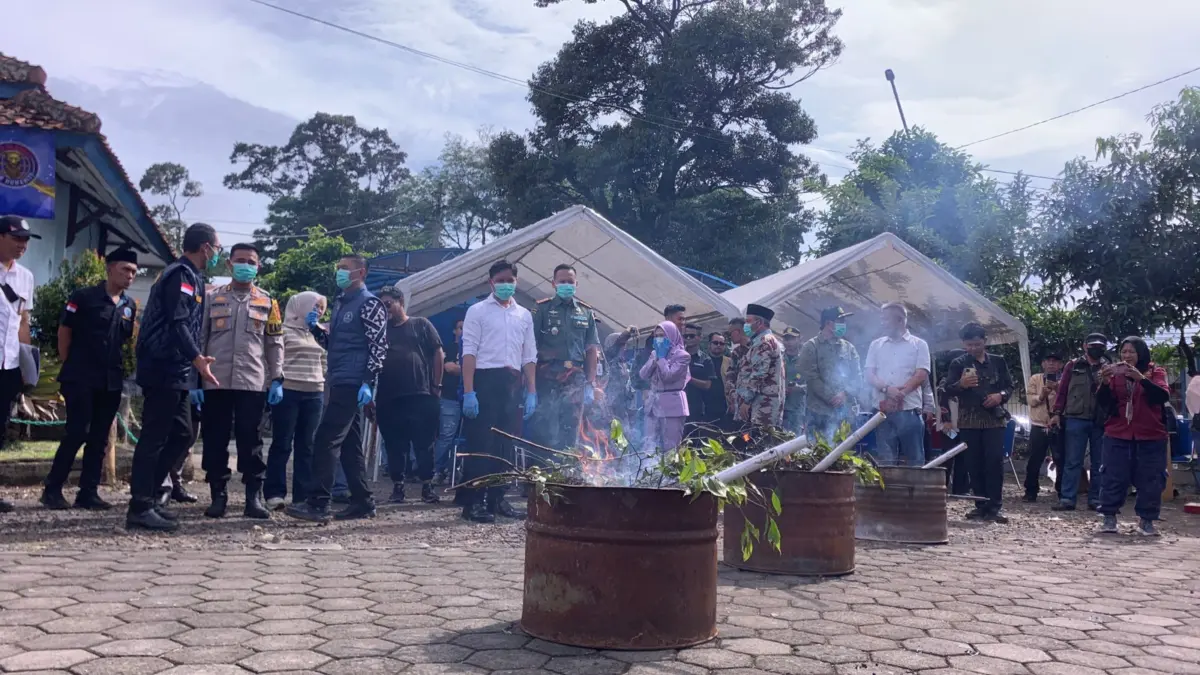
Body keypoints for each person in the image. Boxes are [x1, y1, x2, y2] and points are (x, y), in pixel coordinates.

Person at [126, 223, 223, 531]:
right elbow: (178, 321)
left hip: (179, 369)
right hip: (163, 366)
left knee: (182, 434)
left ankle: (152, 495)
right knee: (154, 436)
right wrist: (197, 358)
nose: (218, 254)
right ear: (205, 247)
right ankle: (140, 506)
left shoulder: (193, 277)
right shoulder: (179, 275)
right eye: (217, 248)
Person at [286, 254, 388, 523]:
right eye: (338, 267)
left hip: (353, 381)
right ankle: (363, 501)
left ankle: (318, 503)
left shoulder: (370, 304)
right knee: (350, 445)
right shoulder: (342, 303)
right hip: (339, 377)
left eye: (345, 268)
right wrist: (316, 330)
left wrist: (368, 381)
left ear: (361, 273)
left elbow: (379, 346)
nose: (339, 272)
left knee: (325, 439)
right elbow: (336, 346)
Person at [39, 248, 139, 510]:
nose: (130, 276)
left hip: (110, 379)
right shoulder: (83, 297)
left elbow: (125, 340)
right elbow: (65, 331)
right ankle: (52, 489)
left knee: (99, 437)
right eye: (125, 269)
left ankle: (88, 491)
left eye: (134, 272)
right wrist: (70, 364)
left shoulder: (129, 305)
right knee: (77, 432)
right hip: (81, 376)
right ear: (110, 268)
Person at [193, 243, 283, 520]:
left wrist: (277, 378)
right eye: (240, 260)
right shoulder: (212, 297)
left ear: (259, 267)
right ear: (229, 264)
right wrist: (195, 379)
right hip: (215, 380)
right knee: (215, 439)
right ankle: (218, 496)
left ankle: (253, 498)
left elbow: (274, 342)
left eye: (251, 262)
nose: (246, 265)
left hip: (252, 382)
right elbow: (200, 337)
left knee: (251, 441)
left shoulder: (268, 301)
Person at [458, 260, 538, 523]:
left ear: (516, 282)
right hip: (485, 380)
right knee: (482, 444)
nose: (505, 285)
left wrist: (531, 390)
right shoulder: (477, 311)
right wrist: (469, 391)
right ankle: (474, 502)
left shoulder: (524, 315)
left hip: (512, 382)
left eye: (510, 280)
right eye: (500, 280)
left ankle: (497, 497)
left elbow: (529, 355)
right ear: (491, 282)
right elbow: (469, 352)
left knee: (506, 444)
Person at [376, 285, 444, 505]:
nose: (385, 309)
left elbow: (438, 352)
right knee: (394, 445)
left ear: (401, 303)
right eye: (381, 306)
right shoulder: (379, 331)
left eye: (388, 304)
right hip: (389, 398)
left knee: (424, 444)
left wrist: (436, 385)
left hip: (421, 395)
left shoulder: (420, 324)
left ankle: (427, 487)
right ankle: (398, 487)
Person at [1095, 337, 1169, 536]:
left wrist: (1141, 379)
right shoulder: (1115, 372)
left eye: (1132, 352)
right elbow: (1104, 403)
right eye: (1124, 351)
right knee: (1113, 476)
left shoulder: (1156, 372)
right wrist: (1104, 383)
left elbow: (1162, 396)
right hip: (1118, 433)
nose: (1127, 356)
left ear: (1141, 354)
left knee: (1151, 478)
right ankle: (1109, 517)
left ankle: (1147, 521)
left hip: (1150, 435)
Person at [264, 292, 327, 509]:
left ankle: (302, 496)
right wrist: (273, 383)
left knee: (307, 445)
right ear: (301, 306)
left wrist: (319, 377)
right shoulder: (283, 330)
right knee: (282, 443)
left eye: (321, 308)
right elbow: (273, 358)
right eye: (315, 306)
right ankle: (274, 493)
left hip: (315, 393)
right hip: (288, 391)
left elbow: (325, 359)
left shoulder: (318, 332)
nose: (318, 311)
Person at [945, 322, 1013, 523]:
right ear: (963, 344)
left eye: (977, 344)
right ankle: (980, 505)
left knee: (994, 462)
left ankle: (995, 506)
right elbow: (947, 388)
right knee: (973, 464)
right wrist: (961, 384)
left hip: (994, 420)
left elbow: (1009, 386)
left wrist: (1000, 396)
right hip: (969, 421)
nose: (973, 348)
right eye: (969, 345)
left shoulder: (998, 361)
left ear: (985, 341)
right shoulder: (958, 363)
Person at [530, 264, 601, 457]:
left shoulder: (586, 312)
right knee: (546, 426)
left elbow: (591, 349)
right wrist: (530, 385)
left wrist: (590, 383)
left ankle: (567, 468)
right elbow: (531, 347)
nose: (566, 285)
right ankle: (543, 470)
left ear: (576, 284)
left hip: (576, 378)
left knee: (572, 426)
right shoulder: (542, 309)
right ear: (553, 283)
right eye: (562, 281)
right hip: (548, 376)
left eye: (570, 282)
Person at [0, 215, 37, 514]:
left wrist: (27, 365)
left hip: (9, 365)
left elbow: (23, 320)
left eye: (25, 240)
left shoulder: (26, 277)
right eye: (16, 238)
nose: (22, 245)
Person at [1050, 333, 1111, 511]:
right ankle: (1067, 499)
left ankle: (1096, 499)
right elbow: (1062, 391)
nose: (1096, 349)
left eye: (1100, 346)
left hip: (1100, 420)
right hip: (1075, 418)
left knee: (1099, 462)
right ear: (1085, 346)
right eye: (1092, 345)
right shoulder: (1073, 365)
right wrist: (1056, 413)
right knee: (1072, 461)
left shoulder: (1108, 367)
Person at [864, 303, 930, 466]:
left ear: (900, 320)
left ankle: (916, 484)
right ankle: (889, 484)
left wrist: (902, 393)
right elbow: (869, 374)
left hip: (909, 410)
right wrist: (887, 389)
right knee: (886, 459)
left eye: (886, 319)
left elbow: (921, 374)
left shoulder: (919, 344)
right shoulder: (876, 345)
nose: (882, 323)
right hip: (883, 411)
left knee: (915, 459)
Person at [798, 307, 862, 440]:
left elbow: (857, 378)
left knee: (842, 449)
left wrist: (845, 393)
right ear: (828, 323)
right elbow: (811, 378)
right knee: (816, 448)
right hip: (818, 412)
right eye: (840, 321)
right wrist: (832, 397)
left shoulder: (849, 348)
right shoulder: (811, 347)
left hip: (844, 413)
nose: (844, 324)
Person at [639, 321, 691, 452]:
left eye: (662, 335)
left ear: (671, 336)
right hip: (653, 404)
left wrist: (662, 358)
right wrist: (655, 358)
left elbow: (669, 376)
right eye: (656, 336)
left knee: (670, 448)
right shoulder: (654, 353)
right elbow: (643, 375)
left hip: (672, 404)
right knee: (649, 446)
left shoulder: (682, 355)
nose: (659, 339)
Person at [734, 304, 785, 428]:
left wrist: (747, 400)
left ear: (759, 323)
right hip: (762, 404)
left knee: (757, 437)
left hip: (761, 406)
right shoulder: (764, 341)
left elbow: (759, 373)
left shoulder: (764, 342)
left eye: (748, 321)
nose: (745, 325)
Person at [1023, 353, 1063, 502]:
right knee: (1034, 459)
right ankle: (1030, 491)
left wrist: (1058, 389)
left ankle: (1062, 491)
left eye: (1055, 361)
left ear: (1060, 365)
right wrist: (1041, 395)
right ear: (1043, 364)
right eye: (1048, 361)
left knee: (1060, 459)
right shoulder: (1035, 379)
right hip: (1038, 425)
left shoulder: (1065, 380)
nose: (1051, 364)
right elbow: (1030, 400)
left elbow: (1069, 400)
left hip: (1058, 424)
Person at [434, 318, 464, 485]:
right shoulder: (448, 348)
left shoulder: (476, 349)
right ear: (454, 331)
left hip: (469, 398)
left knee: (465, 438)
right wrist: (468, 369)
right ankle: (436, 470)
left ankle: (455, 470)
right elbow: (448, 367)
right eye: (460, 328)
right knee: (446, 436)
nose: (463, 331)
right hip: (449, 398)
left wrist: (460, 368)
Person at [682, 324, 714, 431]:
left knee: (694, 439)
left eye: (691, 336)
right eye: (685, 336)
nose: (688, 338)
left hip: (696, 409)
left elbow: (707, 385)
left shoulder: (705, 359)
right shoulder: (676, 357)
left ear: (699, 337)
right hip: (677, 407)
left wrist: (689, 379)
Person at [779, 328, 806, 435]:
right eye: (786, 339)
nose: (788, 342)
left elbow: (813, 383)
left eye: (792, 339)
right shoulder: (778, 358)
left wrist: (798, 388)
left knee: (793, 439)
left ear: (799, 339)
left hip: (796, 409)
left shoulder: (806, 360)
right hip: (779, 408)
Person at [703, 332, 729, 425]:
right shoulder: (702, 361)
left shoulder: (730, 362)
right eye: (715, 343)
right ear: (709, 344)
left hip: (725, 409)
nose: (718, 345)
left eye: (721, 343)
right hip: (705, 409)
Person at [724, 317, 748, 418]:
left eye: (730, 333)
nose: (729, 337)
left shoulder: (756, 350)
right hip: (737, 402)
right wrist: (732, 396)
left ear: (737, 332)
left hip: (752, 403)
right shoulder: (736, 352)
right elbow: (730, 376)